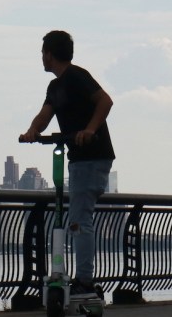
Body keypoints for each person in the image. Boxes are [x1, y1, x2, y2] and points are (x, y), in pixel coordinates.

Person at [19, 30, 115, 297]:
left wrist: (90, 130)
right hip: (77, 158)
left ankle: (84, 280)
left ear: (49, 54)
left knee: (79, 220)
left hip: (92, 156)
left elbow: (105, 102)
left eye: (42, 53)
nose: (42, 58)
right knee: (76, 218)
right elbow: (45, 114)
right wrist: (31, 132)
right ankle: (78, 278)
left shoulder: (76, 75)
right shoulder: (55, 86)